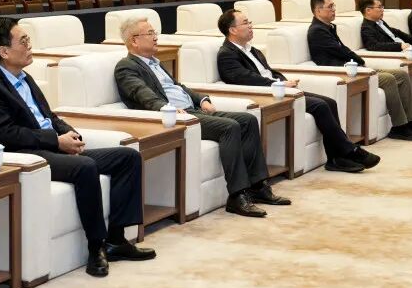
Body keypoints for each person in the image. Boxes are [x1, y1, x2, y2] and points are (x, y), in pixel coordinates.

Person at [0, 18, 154, 278]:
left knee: (128, 157)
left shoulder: (24, 78)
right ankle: (96, 247)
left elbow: (49, 116)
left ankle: (116, 240)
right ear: (4, 51)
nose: (30, 46)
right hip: (24, 155)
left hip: (51, 147)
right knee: (85, 166)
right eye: (24, 41)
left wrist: (69, 132)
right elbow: (5, 134)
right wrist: (56, 141)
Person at [114, 16, 291, 218]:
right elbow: (141, 93)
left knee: (248, 120)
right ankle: (237, 196)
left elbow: (178, 87)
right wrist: (166, 108)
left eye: (155, 32)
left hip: (192, 110)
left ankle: (258, 187)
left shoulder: (155, 63)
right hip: (176, 117)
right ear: (134, 40)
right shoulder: (126, 66)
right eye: (150, 33)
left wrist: (202, 99)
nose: (156, 37)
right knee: (229, 127)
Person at [215, 8, 380, 173]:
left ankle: (336, 158)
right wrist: (278, 84)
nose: (251, 26)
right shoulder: (227, 54)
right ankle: (350, 151)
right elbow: (244, 78)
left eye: (250, 22)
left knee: (330, 102)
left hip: (280, 89)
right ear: (233, 30)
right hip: (267, 94)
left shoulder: (252, 49)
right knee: (320, 106)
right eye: (246, 23)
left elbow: (269, 71)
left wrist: (283, 81)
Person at [306, 0, 412, 141]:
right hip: (343, 70)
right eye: (330, 7)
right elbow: (340, 51)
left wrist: (360, 62)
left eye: (334, 6)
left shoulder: (328, 27)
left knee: (401, 74)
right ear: (318, 10)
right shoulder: (317, 31)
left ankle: (410, 121)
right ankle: (399, 126)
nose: (334, 9)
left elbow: (343, 49)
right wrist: (360, 61)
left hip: (353, 67)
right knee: (388, 79)